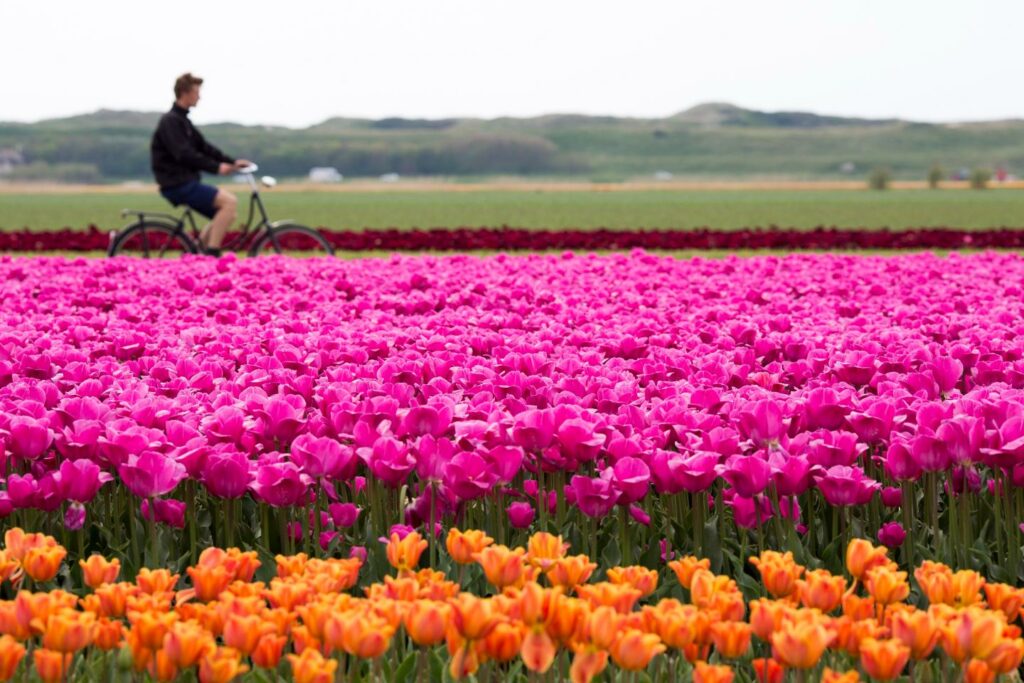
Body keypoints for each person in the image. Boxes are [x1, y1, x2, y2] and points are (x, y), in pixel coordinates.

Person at [150, 73, 251, 256]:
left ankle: (198, 253)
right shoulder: (171, 121)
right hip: (177, 183)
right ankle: (212, 252)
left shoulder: (183, 121)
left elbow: (205, 148)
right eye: (196, 92)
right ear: (184, 93)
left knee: (228, 213)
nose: (199, 97)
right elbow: (184, 154)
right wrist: (216, 167)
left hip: (184, 182)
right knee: (229, 202)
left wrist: (232, 162)